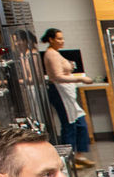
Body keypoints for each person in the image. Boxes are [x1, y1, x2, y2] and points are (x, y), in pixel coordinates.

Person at [40, 28, 95, 168]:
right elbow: (56, 77)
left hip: (67, 93)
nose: (62, 41)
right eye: (58, 38)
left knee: (80, 123)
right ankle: (68, 159)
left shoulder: (56, 53)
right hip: (59, 93)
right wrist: (80, 79)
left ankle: (78, 155)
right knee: (69, 125)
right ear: (51, 39)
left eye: (62, 38)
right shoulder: (51, 54)